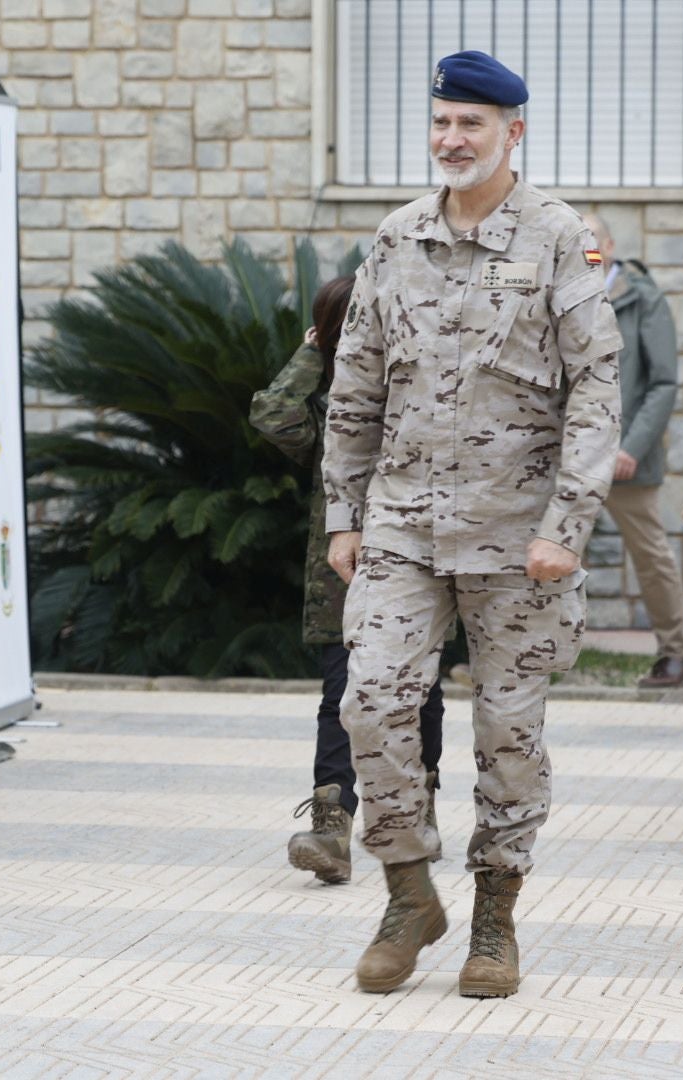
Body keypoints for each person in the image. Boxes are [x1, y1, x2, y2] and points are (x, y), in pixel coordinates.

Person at [323, 50, 621, 998]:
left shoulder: (559, 239)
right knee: (370, 699)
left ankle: (495, 915)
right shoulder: (397, 236)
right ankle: (410, 893)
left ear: (512, 134)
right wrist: (343, 510)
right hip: (404, 526)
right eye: (443, 122)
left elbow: (596, 391)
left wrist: (566, 523)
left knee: (509, 730)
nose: (453, 139)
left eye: (473, 126)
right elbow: (357, 378)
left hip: (520, 535)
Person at [250, 278, 448, 885]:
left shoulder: (418, 383)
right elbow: (271, 414)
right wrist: (313, 353)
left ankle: (420, 806)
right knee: (342, 692)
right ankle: (332, 823)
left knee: (422, 689)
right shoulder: (325, 403)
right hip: (344, 568)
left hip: (420, 558)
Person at [582, 214, 683, 688]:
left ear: (609, 245)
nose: (584, 250)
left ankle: (678, 654)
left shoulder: (643, 299)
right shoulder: (558, 294)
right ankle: (533, 653)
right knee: (546, 549)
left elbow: (663, 382)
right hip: (569, 456)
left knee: (650, 557)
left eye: (591, 240)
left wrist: (631, 446)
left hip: (624, 458)